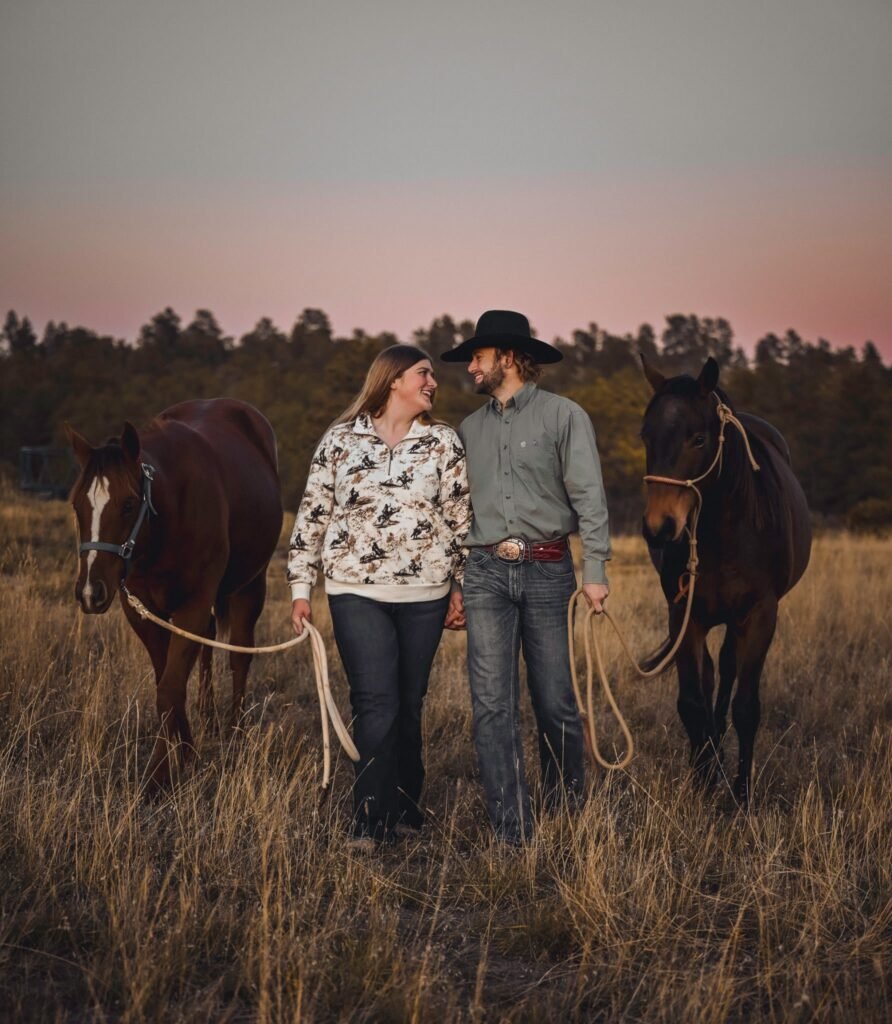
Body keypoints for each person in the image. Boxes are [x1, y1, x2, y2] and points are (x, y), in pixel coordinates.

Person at [288, 345, 471, 850]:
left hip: (425, 592)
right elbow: (312, 514)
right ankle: (369, 821)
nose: (433, 382)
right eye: (423, 374)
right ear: (393, 381)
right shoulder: (340, 440)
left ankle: (407, 809)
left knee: (409, 704)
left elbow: (461, 522)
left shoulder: (442, 442)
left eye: (432, 375)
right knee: (375, 702)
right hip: (354, 590)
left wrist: (460, 586)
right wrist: (301, 588)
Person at [441, 310, 611, 845]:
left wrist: (596, 570)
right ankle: (511, 829)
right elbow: (457, 512)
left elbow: (589, 495)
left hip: (549, 570)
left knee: (555, 698)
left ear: (508, 358)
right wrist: (457, 583)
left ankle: (566, 814)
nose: (470, 367)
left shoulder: (564, 416)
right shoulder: (467, 430)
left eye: (478, 357)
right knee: (492, 705)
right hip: (486, 572)